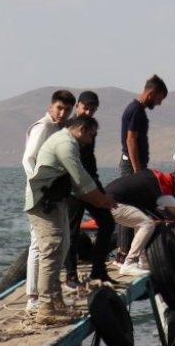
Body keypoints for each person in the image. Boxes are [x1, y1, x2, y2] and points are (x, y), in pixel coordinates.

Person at [24, 116, 119, 325]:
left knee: (62, 248)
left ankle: (56, 302)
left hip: (56, 200)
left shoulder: (69, 143)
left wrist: (100, 200)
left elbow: (79, 186)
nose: (92, 140)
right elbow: (81, 179)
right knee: (51, 251)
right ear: (82, 129)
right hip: (43, 203)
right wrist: (103, 200)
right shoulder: (65, 144)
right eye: (91, 135)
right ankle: (45, 308)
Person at [105, 168, 175, 276]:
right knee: (147, 224)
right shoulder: (163, 186)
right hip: (111, 203)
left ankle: (143, 263)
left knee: (145, 222)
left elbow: (160, 214)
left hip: (107, 200)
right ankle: (129, 263)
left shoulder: (156, 180)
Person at [21, 90, 76, 311]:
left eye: (67, 110)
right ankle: (33, 296)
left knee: (64, 243)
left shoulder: (60, 128)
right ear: (51, 106)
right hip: (41, 195)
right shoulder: (43, 127)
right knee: (39, 244)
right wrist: (39, 186)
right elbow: (28, 159)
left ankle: (50, 290)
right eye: (59, 108)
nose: (62, 113)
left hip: (56, 194)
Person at [64, 91, 117, 286]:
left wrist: (98, 186)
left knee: (108, 223)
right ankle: (71, 275)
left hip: (90, 182)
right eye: (85, 108)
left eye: (92, 110)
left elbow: (89, 159)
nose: (88, 112)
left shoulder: (91, 128)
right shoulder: (69, 128)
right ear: (77, 106)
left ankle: (98, 271)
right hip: (72, 186)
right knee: (72, 230)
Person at [117, 75, 167, 261]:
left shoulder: (138, 110)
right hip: (132, 166)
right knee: (129, 207)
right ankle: (123, 253)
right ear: (151, 93)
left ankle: (129, 251)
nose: (159, 103)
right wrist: (138, 171)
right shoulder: (135, 110)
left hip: (134, 164)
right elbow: (131, 140)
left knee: (135, 206)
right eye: (159, 98)